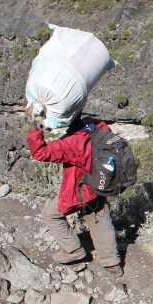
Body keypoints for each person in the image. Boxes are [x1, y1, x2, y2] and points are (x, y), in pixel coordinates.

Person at [26, 111, 122, 277]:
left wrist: (35, 127)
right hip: (100, 183)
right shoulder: (98, 126)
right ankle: (112, 264)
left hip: (81, 189)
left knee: (51, 214)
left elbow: (40, 153)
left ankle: (73, 250)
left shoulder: (72, 143)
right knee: (99, 219)